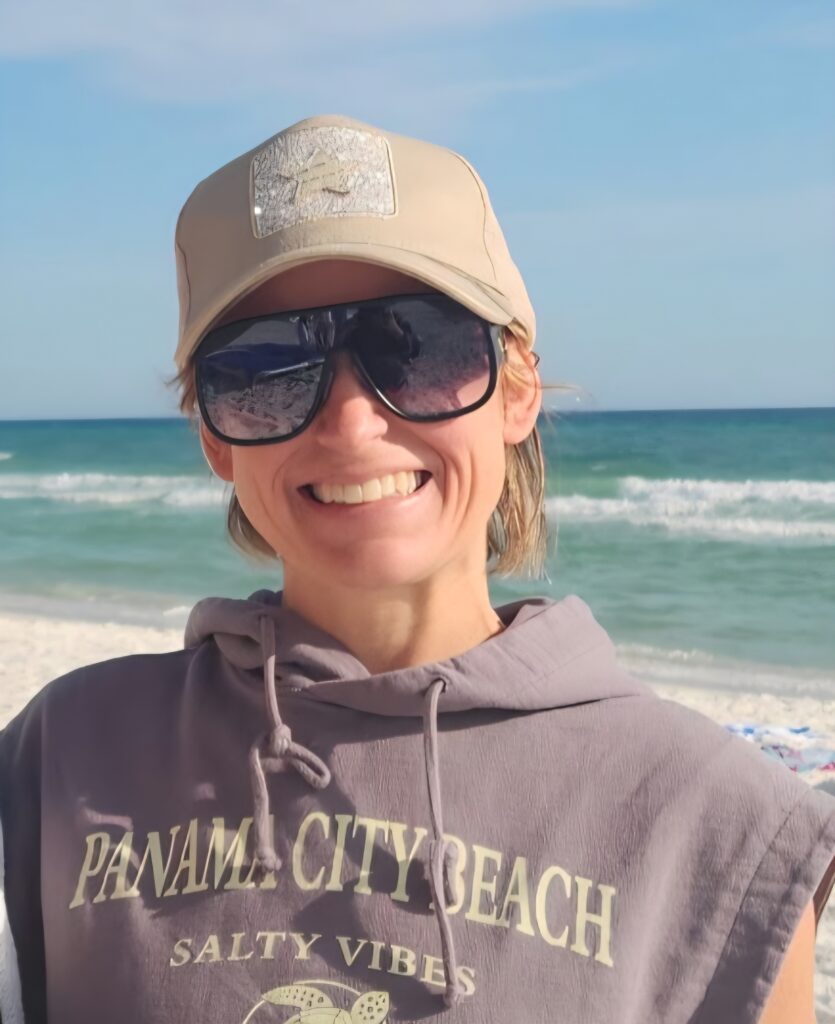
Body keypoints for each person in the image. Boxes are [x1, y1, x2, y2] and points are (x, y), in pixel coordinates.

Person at [0, 113, 832, 1024]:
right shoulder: (64, 757)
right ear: (213, 436)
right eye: (267, 368)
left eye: (416, 346)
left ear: (515, 388)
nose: (352, 422)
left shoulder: (711, 823)